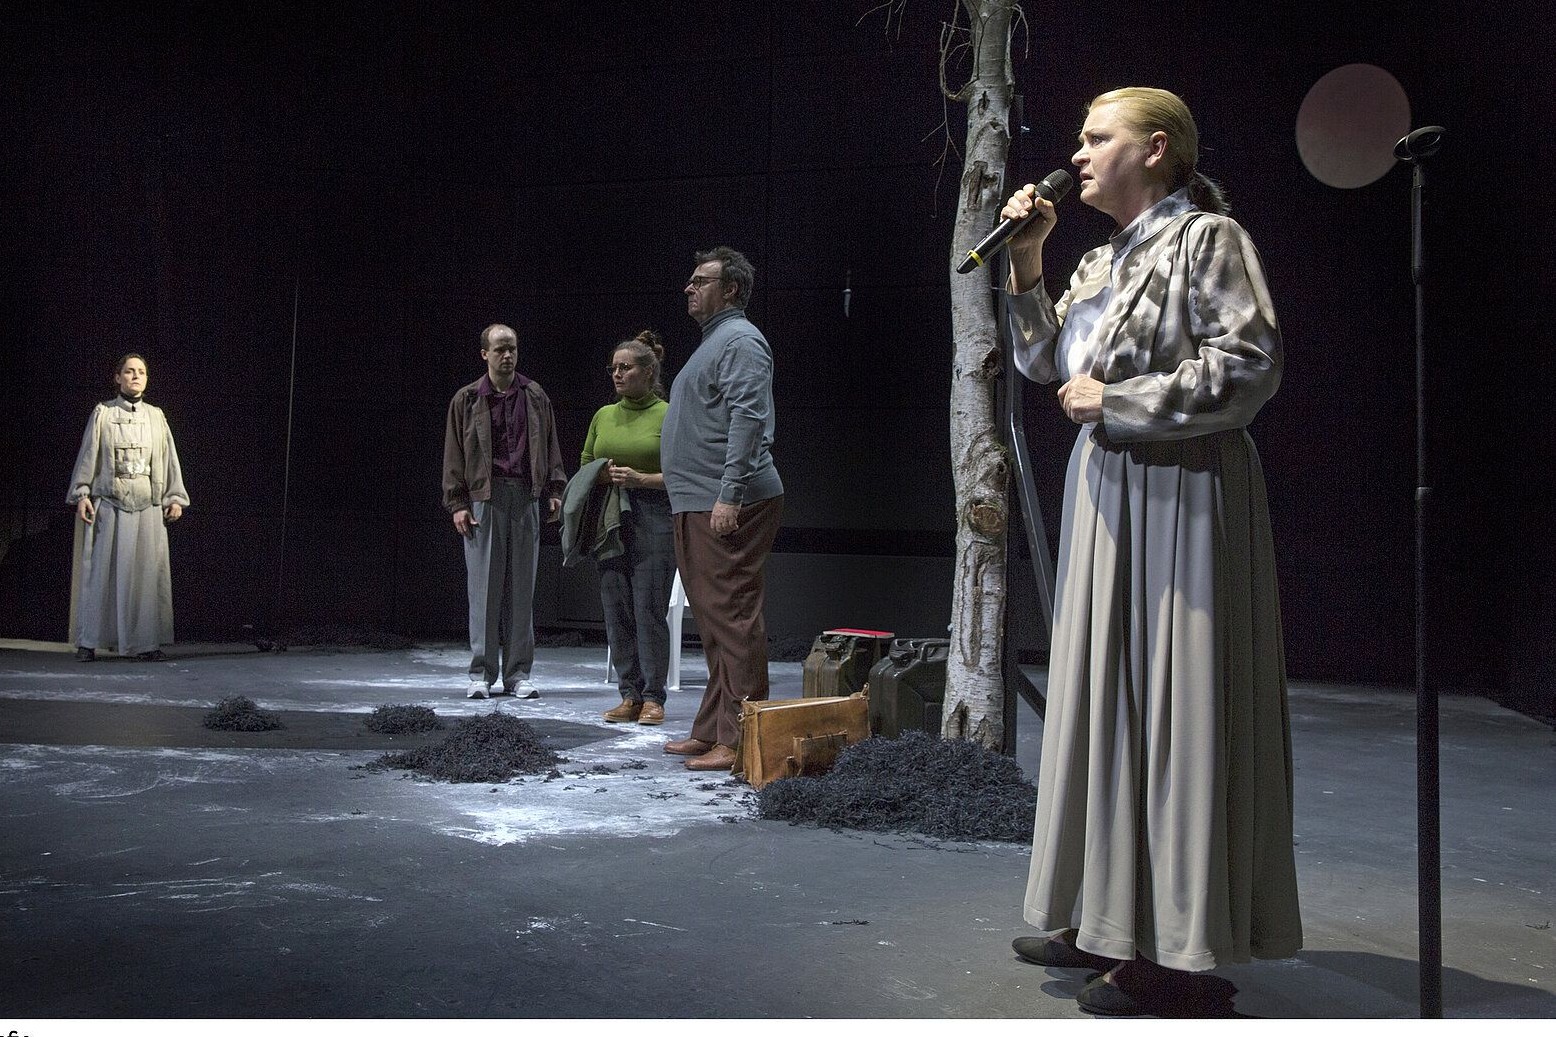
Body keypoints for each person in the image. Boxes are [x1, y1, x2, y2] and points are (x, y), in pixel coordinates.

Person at [999, 88, 1302, 1016]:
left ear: (1156, 149)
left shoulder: (1207, 240)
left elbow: (1250, 366)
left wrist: (1120, 403)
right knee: (1103, 702)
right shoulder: (1100, 258)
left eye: (1099, 137)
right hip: (1107, 489)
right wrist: (1026, 262)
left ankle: (1177, 948)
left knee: (1176, 704)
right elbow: (1043, 364)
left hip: (1183, 488)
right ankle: (1107, 917)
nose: (1079, 153)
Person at [659, 247, 783, 772]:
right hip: (699, 501)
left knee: (732, 620)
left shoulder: (740, 341)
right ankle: (713, 728)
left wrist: (730, 492)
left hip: (728, 501)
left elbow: (749, 418)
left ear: (730, 289)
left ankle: (740, 739)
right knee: (714, 624)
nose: (689, 288)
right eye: (690, 280)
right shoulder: (715, 341)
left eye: (701, 280)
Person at [442, 323, 566, 700]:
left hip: (525, 496)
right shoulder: (467, 399)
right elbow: (454, 454)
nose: (507, 355)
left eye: (512, 348)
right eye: (499, 349)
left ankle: (517, 674)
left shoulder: (534, 395)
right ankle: (480, 673)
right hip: (485, 496)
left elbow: (550, 444)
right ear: (485, 354)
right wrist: (458, 503)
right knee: (484, 589)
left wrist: (554, 489)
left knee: (521, 590)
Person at [580, 330, 676, 726]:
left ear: (648, 371)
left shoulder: (668, 414)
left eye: (626, 367)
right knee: (615, 607)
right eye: (614, 368)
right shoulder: (604, 415)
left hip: (654, 515)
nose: (618, 374)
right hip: (610, 517)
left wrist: (641, 479)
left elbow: (683, 474)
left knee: (649, 608)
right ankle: (629, 694)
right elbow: (586, 461)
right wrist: (600, 474)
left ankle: (653, 697)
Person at [68, 353, 189, 662]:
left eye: (141, 372)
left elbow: (168, 458)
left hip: (147, 506)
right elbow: (88, 455)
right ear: (118, 377)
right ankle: (90, 641)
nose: (136, 376)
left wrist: (174, 497)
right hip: (111, 504)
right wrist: (82, 493)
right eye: (130, 371)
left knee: (145, 578)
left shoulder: (156, 416)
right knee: (102, 575)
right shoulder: (103, 413)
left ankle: (145, 643)